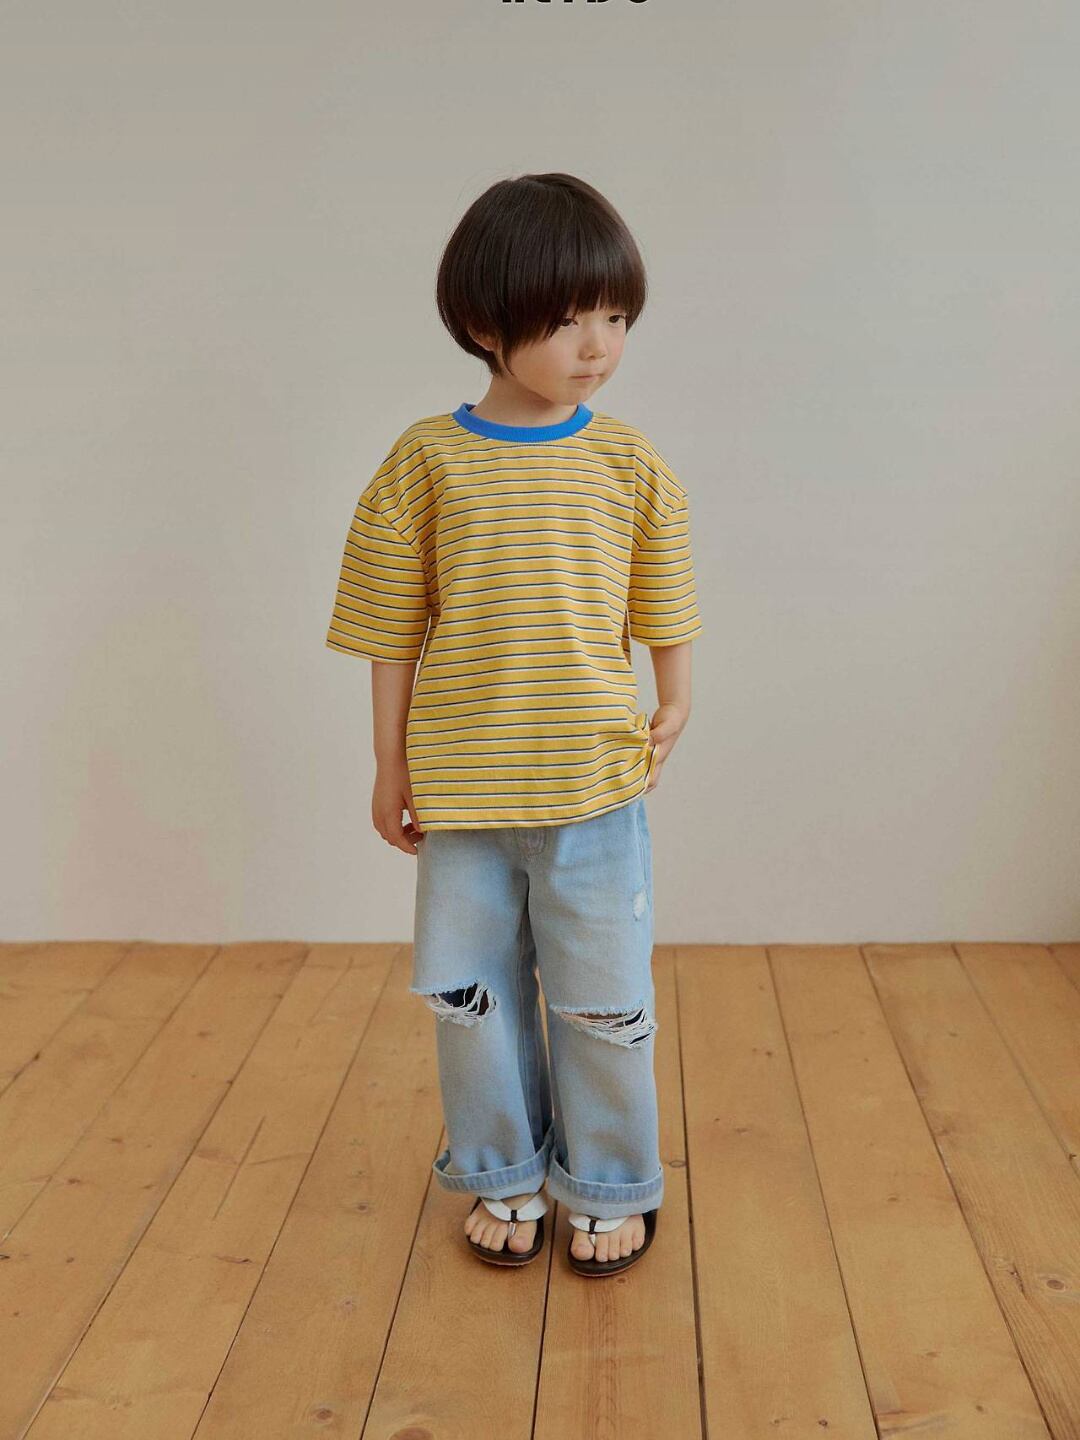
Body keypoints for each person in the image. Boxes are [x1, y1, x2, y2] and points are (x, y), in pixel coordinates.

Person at [325, 172, 703, 1277]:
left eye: (616, 316)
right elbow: (390, 624)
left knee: (602, 1001)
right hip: (463, 797)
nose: (598, 345)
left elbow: (664, 595)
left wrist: (677, 697)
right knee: (471, 998)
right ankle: (500, 1170)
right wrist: (387, 764)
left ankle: (612, 1180)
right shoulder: (425, 462)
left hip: (595, 791)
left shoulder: (627, 462)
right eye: (568, 319)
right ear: (487, 324)